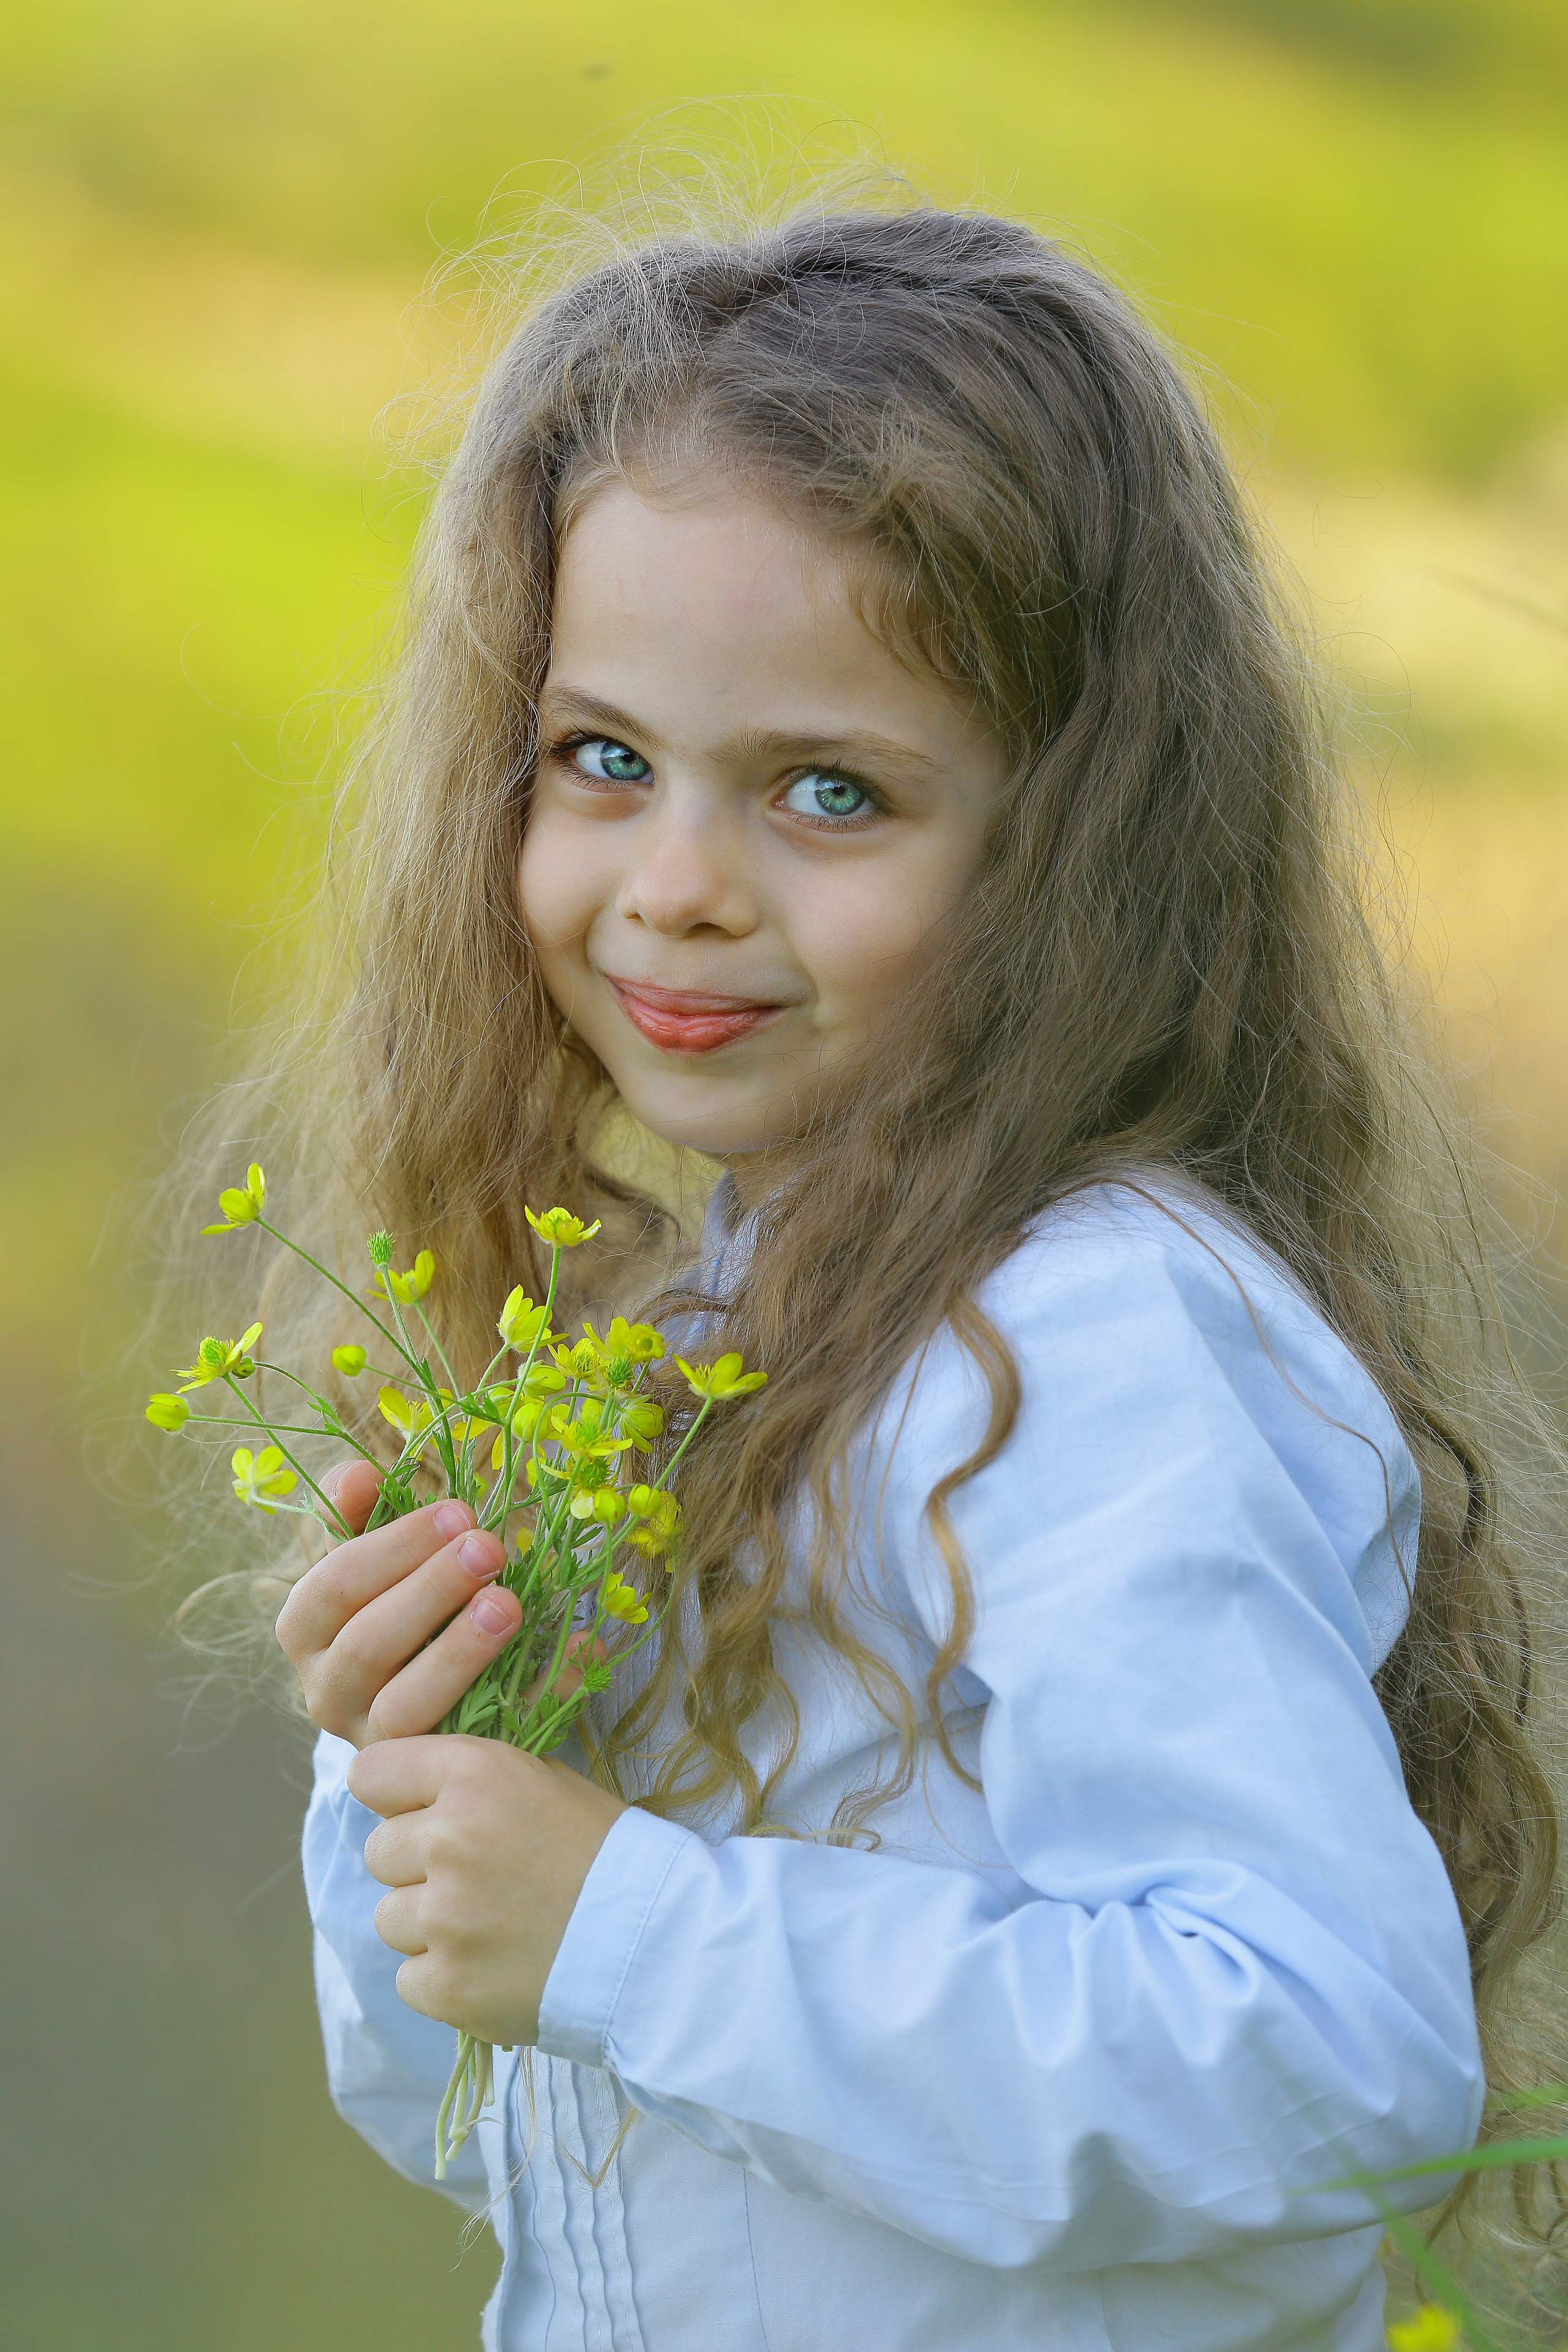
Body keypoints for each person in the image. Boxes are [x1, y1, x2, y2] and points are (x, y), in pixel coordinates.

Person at [241, 200, 1559, 2348]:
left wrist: (622, 1923)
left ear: (1071, 854)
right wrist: (405, 1774)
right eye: (603, 760)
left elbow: (1326, 2074)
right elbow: (480, 2127)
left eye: (827, 792)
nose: (674, 888)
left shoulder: (1094, 1334)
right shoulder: (667, 1344)